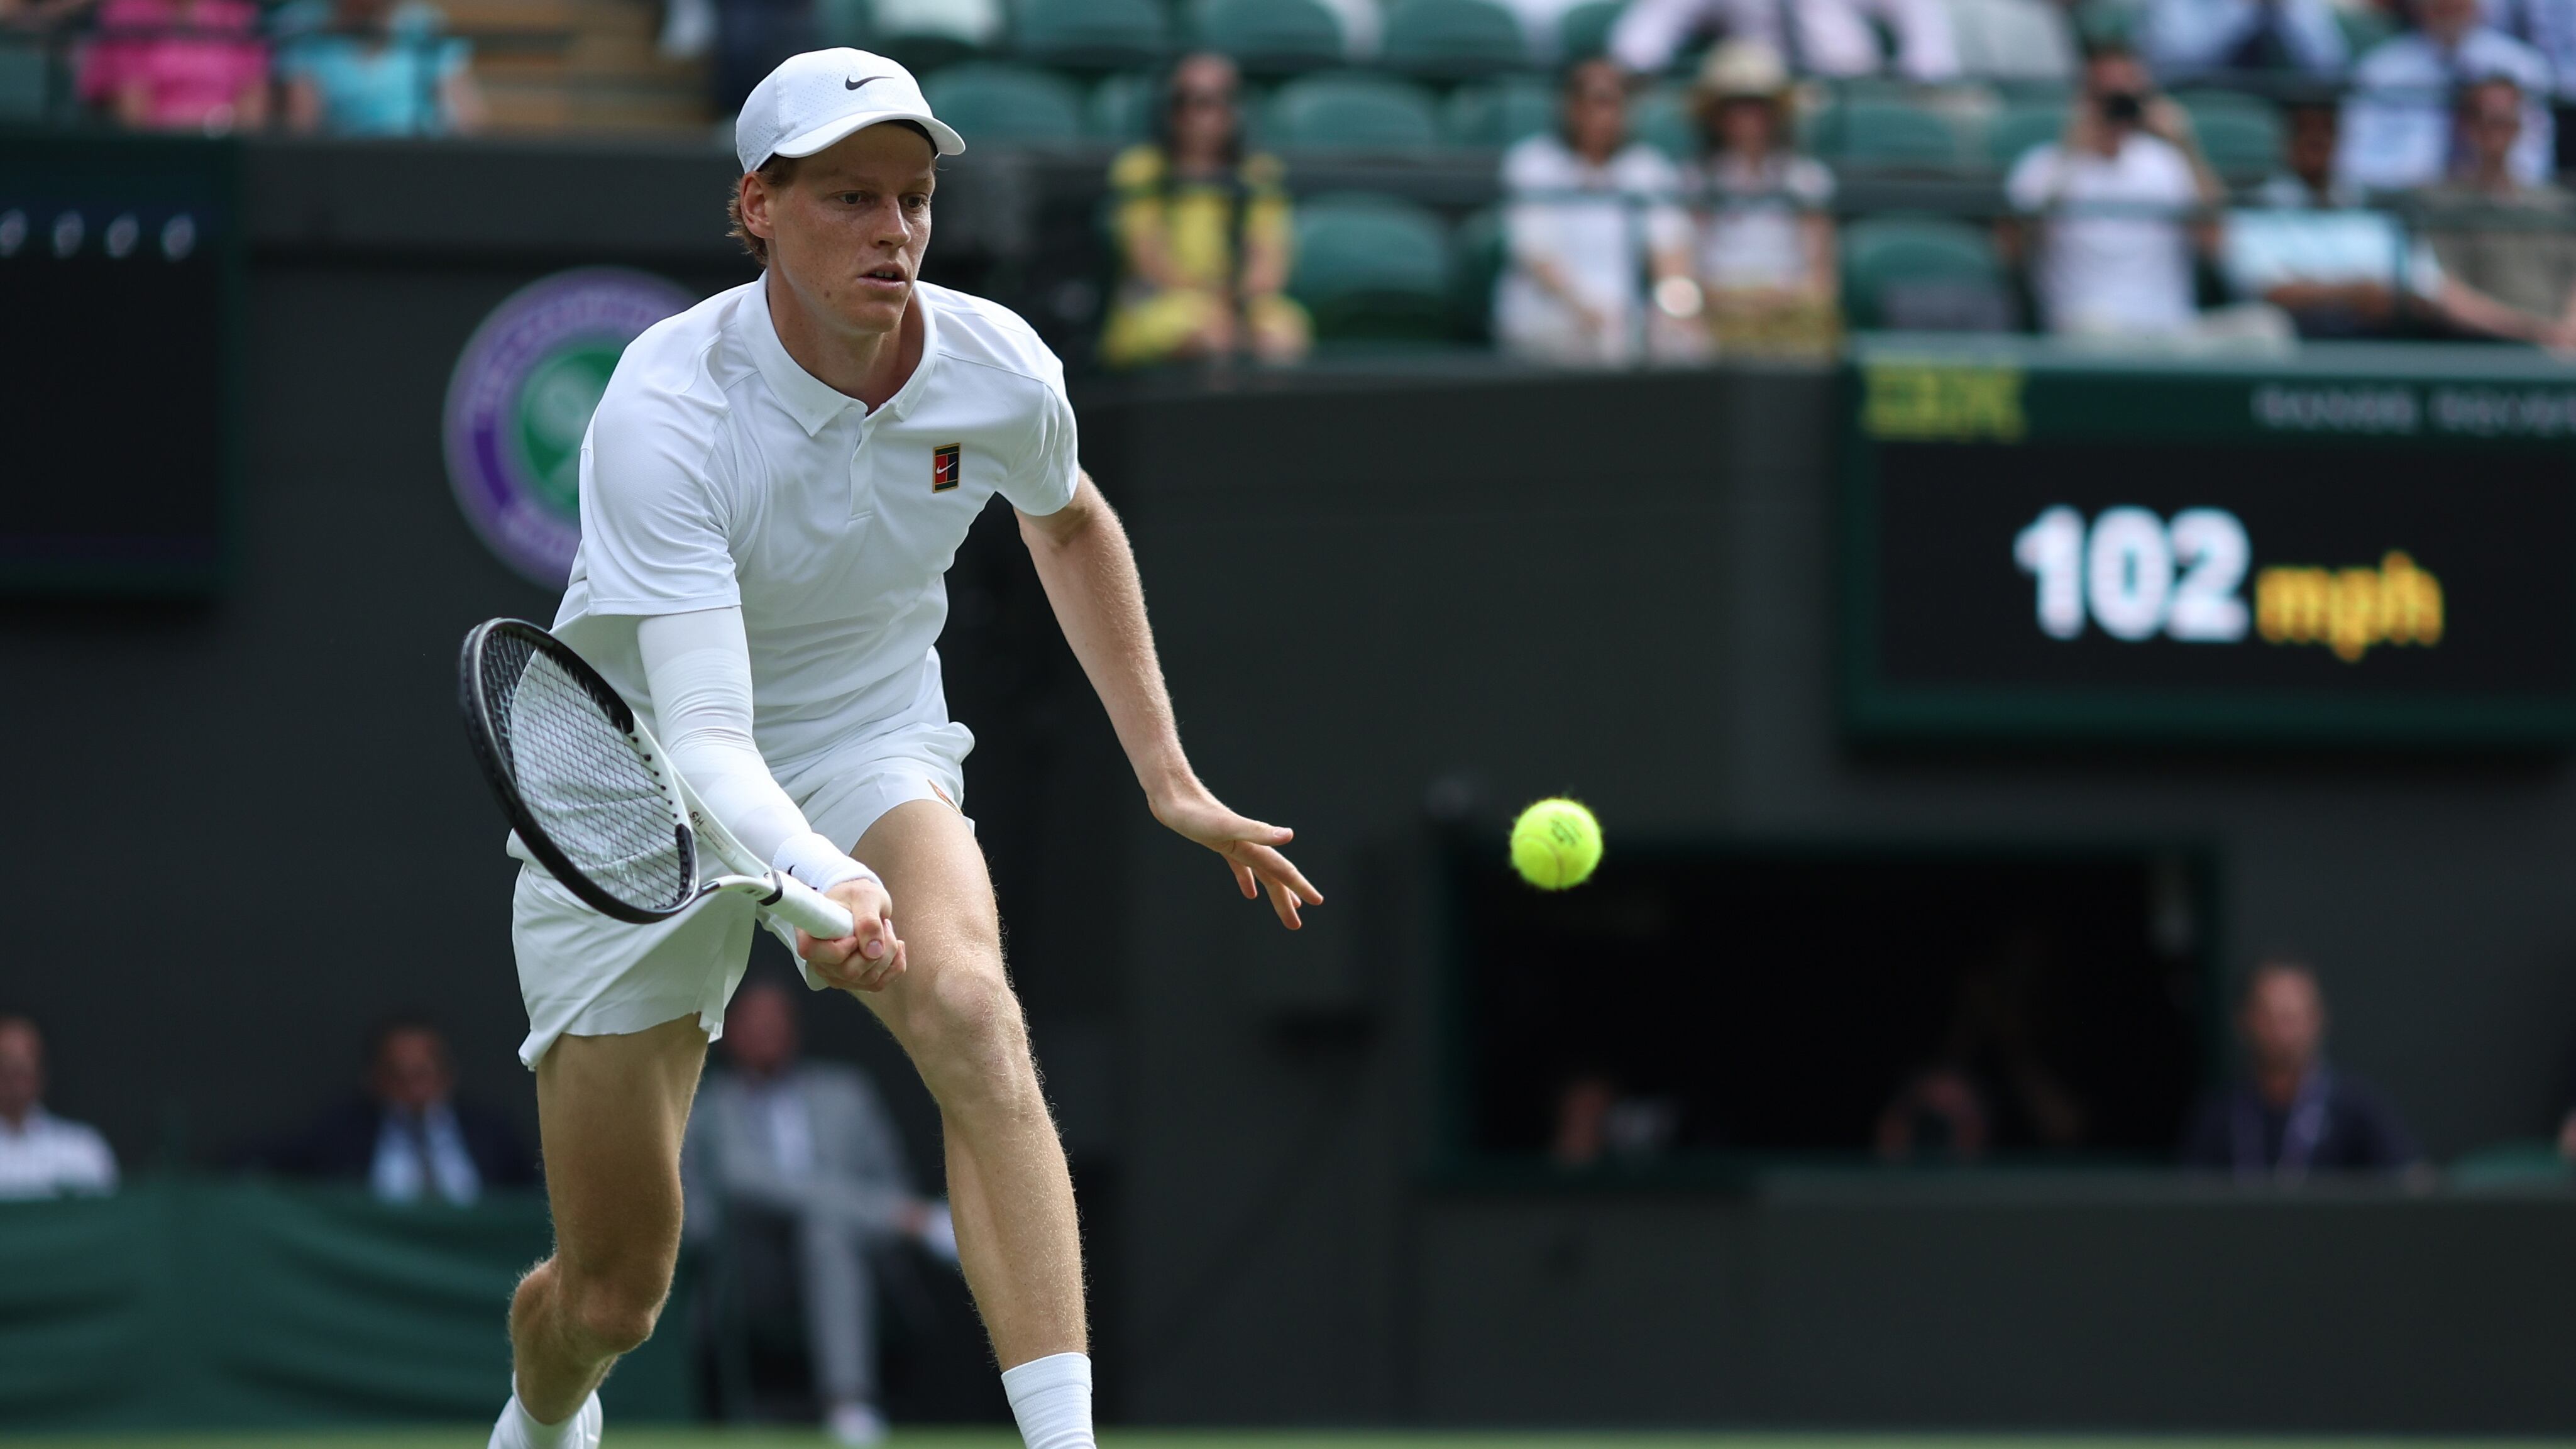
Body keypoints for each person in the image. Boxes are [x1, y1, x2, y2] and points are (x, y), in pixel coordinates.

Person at [484, 47, 1320, 1449]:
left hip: (868, 729)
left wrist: (1167, 776)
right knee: (616, 1295)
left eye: (915, 199)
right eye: (852, 199)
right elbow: (703, 738)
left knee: (975, 1014)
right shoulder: (666, 403)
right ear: (757, 207)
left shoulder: (995, 364)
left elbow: (1070, 522)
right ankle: (541, 1413)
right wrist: (817, 877)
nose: (895, 233)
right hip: (636, 781)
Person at [685, 981, 956, 1446]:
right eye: (755, 1022)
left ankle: (847, 1402)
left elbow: (890, 1179)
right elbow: (707, 1210)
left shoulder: (847, 1094)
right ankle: (916, 1221)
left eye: (777, 1021)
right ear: (730, 1034)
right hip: (751, 1271)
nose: (767, 1031)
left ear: (795, 1029)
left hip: (848, 1259)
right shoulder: (706, 1108)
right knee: (759, 1181)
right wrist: (898, 1214)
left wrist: (835, 1210)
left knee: (825, 1231)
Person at [2004, 43, 2289, 343]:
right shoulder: (2045, 166)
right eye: (2105, 96)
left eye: (2127, 96)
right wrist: (2069, 155)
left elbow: (2217, 246)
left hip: (2171, 333)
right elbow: (2013, 252)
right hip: (2090, 331)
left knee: (2265, 327)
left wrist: (2186, 144)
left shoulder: (2169, 161)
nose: (2116, 108)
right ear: (2084, 98)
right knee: (2095, 331)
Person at [1099, 53, 1311, 370]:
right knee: (1213, 335)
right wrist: (1217, 308)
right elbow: (1150, 263)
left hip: (1244, 302)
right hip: (1162, 301)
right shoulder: (1141, 170)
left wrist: (1236, 305)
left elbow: (1270, 263)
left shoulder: (1260, 173)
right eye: (1189, 100)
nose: (1203, 114)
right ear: (1169, 108)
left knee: (1283, 334)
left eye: (1219, 100)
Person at [1495, 57, 1697, 366]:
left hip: (1623, 321)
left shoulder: (1648, 168)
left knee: (1687, 342)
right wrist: (1589, 313)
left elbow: (1670, 254)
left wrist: (1676, 310)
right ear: (1572, 108)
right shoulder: (1532, 163)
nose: (1606, 115)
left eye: (1615, 103)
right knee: (1601, 344)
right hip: (1548, 314)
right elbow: (1536, 257)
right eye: (1597, 102)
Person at [2181, 960, 2421, 1179]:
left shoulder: (2357, 1108)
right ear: (2245, 1021)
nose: (2283, 1031)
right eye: (2270, 1016)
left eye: (2294, 1016)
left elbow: (2414, 1185)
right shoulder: (2220, 1112)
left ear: (2318, 1019)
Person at [256, 1018, 536, 1204]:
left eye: (423, 1074)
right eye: (399, 1077)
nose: (413, 1090)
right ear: (374, 1080)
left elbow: (534, 1199)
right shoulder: (341, 1134)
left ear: (448, 1075)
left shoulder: (492, 1133)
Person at [1687, 41, 1840, 358]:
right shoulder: (1696, 180)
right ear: (1717, 115)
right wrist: (1734, 302)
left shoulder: (1807, 178)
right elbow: (1689, 271)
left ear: (1775, 112)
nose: (1747, 116)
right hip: (1720, 306)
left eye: (1757, 104)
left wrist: (1783, 300)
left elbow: (1821, 274)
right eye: (1735, 105)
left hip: (1791, 308)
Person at [2409, 75, 2576, 341]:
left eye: (2506, 118)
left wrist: (2568, 331)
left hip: (2562, 355)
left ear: (2520, 124)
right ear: (2465, 125)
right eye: (2484, 117)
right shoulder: (2436, 202)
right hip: (2482, 356)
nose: (2495, 126)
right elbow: (2441, 293)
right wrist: (2538, 333)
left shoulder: (2556, 203)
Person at [2336, 0, 2553, 192]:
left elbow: (2535, 162)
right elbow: (2355, 163)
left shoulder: (2524, 69)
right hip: (2406, 210)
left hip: (2500, 209)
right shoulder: (2381, 73)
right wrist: (2419, 183)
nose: (2447, 4)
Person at [1607, 0, 1961, 80]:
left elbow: (1918, 11)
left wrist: (1925, 73)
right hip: (1770, 97)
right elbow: (1647, 31)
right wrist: (1640, 70)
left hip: (1852, 88)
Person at [279, 0, 483, 137]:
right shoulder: (305, 26)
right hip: (341, 170)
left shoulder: (426, 25)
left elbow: (468, 121)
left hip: (419, 168)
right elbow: (302, 129)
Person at [79, 0, 269, 133]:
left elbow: (252, 109)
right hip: (157, 159)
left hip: (225, 158)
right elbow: (133, 114)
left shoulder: (238, 14)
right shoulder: (125, 14)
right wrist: (208, 123)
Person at [0, 1016, 117, 1199]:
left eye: (21, 1070)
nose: (13, 1083)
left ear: (40, 1073)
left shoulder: (82, 1148)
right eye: (4, 1069)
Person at [2142, 0, 2347, 82]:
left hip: (2283, 112)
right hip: (2202, 105)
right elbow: (2176, 64)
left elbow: (2332, 68)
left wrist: (2285, 12)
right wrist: (2245, 10)